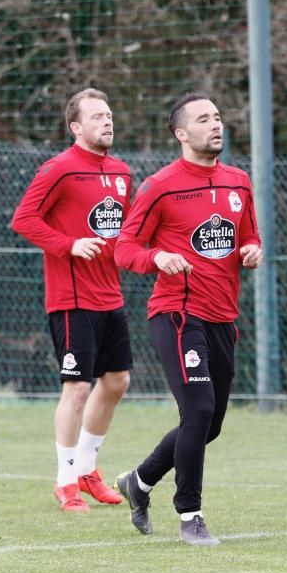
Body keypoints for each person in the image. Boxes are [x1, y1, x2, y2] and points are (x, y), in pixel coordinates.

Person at [114, 93, 262, 546]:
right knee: (196, 410)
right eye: (204, 119)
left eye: (218, 116)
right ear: (181, 133)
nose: (216, 124)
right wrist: (158, 256)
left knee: (210, 424)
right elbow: (125, 249)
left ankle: (139, 481)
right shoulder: (160, 185)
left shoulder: (239, 182)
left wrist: (252, 251)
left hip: (223, 318)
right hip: (177, 314)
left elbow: (249, 236)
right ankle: (190, 516)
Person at [11, 88, 133, 512]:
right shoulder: (58, 170)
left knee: (117, 381)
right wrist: (67, 245)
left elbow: (124, 234)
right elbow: (23, 219)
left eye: (110, 113)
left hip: (110, 295)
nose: (107, 121)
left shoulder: (121, 172)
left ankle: (87, 469)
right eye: (97, 116)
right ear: (76, 127)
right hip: (72, 298)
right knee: (77, 386)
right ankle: (65, 481)